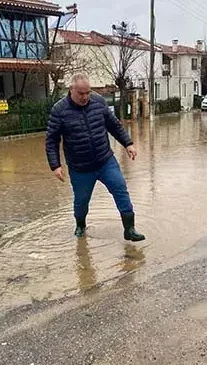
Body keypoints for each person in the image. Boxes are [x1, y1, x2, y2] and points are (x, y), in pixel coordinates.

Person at [45, 73, 146, 242]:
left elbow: (113, 125)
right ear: (71, 90)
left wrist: (128, 143)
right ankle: (80, 225)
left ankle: (129, 229)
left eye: (88, 93)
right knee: (81, 201)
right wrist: (55, 165)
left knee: (120, 189)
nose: (85, 97)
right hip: (80, 168)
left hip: (105, 160)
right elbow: (51, 140)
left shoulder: (98, 102)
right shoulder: (59, 110)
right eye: (81, 93)